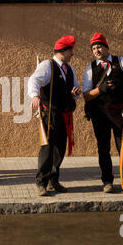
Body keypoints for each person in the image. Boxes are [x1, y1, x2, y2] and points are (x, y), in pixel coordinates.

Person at [82, 32, 123, 193]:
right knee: (103, 148)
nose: (96, 50)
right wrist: (100, 89)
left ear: (106, 47)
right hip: (100, 114)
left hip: (120, 112)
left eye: (99, 46)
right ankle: (107, 181)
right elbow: (86, 95)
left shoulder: (122, 62)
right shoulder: (90, 68)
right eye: (93, 48)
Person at [28, 35, 82, 196]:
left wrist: (76, 94)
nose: (72, 53)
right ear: (62, 51)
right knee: (47, 148)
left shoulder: (69, 69)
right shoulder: (47, 65)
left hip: (64, 115)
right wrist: (34, 96)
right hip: (49, 114)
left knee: (60, 149)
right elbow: (33, 80)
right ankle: (41, 183)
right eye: (70, 50)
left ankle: (53, 180)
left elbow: (76, 88)